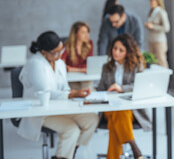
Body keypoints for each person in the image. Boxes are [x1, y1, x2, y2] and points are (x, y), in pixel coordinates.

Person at [18, 31, 99, 159]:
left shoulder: (59, 63)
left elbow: (64, 88)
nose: (60, 55)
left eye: (61, 50)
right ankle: (64, 155)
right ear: (44, 52)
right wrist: (73, 94)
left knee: (92, 119)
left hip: (61, 107)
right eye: (56, 52)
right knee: (71, 130)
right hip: (41, 111)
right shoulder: (35, 64)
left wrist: (78, 97)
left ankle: (71, 152)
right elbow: (45, 92)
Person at [97, 34, 151, 159]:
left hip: (131, 111)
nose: (116, 52)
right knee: (117, 112)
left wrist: (122, 88)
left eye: (121, 50)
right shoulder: (107, 67)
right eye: (115, 48)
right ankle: (134, 148)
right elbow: (100, 88)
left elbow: (139, 86)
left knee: (117, 118)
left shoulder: (136, 66)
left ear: (128, 52)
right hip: (109, 109)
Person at [61, 21, 94, 90]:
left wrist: (72, 69)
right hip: (71, 77)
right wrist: (81, 70)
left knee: (88, 89)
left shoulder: (89, 44)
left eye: (87, 32)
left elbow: (90, 65)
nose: (86, 35)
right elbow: (62, 66)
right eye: (83, 32)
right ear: (75, 34)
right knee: (76, 91)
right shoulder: (67, 45)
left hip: (85, 77)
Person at [145, 0, 170, 68]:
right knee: (153, 61)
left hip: (159, 41)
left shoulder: (161, 12)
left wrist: (153, 26)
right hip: (151, 40)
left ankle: (165, 78)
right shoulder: (152, 12)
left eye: (152, 1)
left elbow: (167, 28)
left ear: (157, 1)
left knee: (161, 61)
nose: (150, 3)